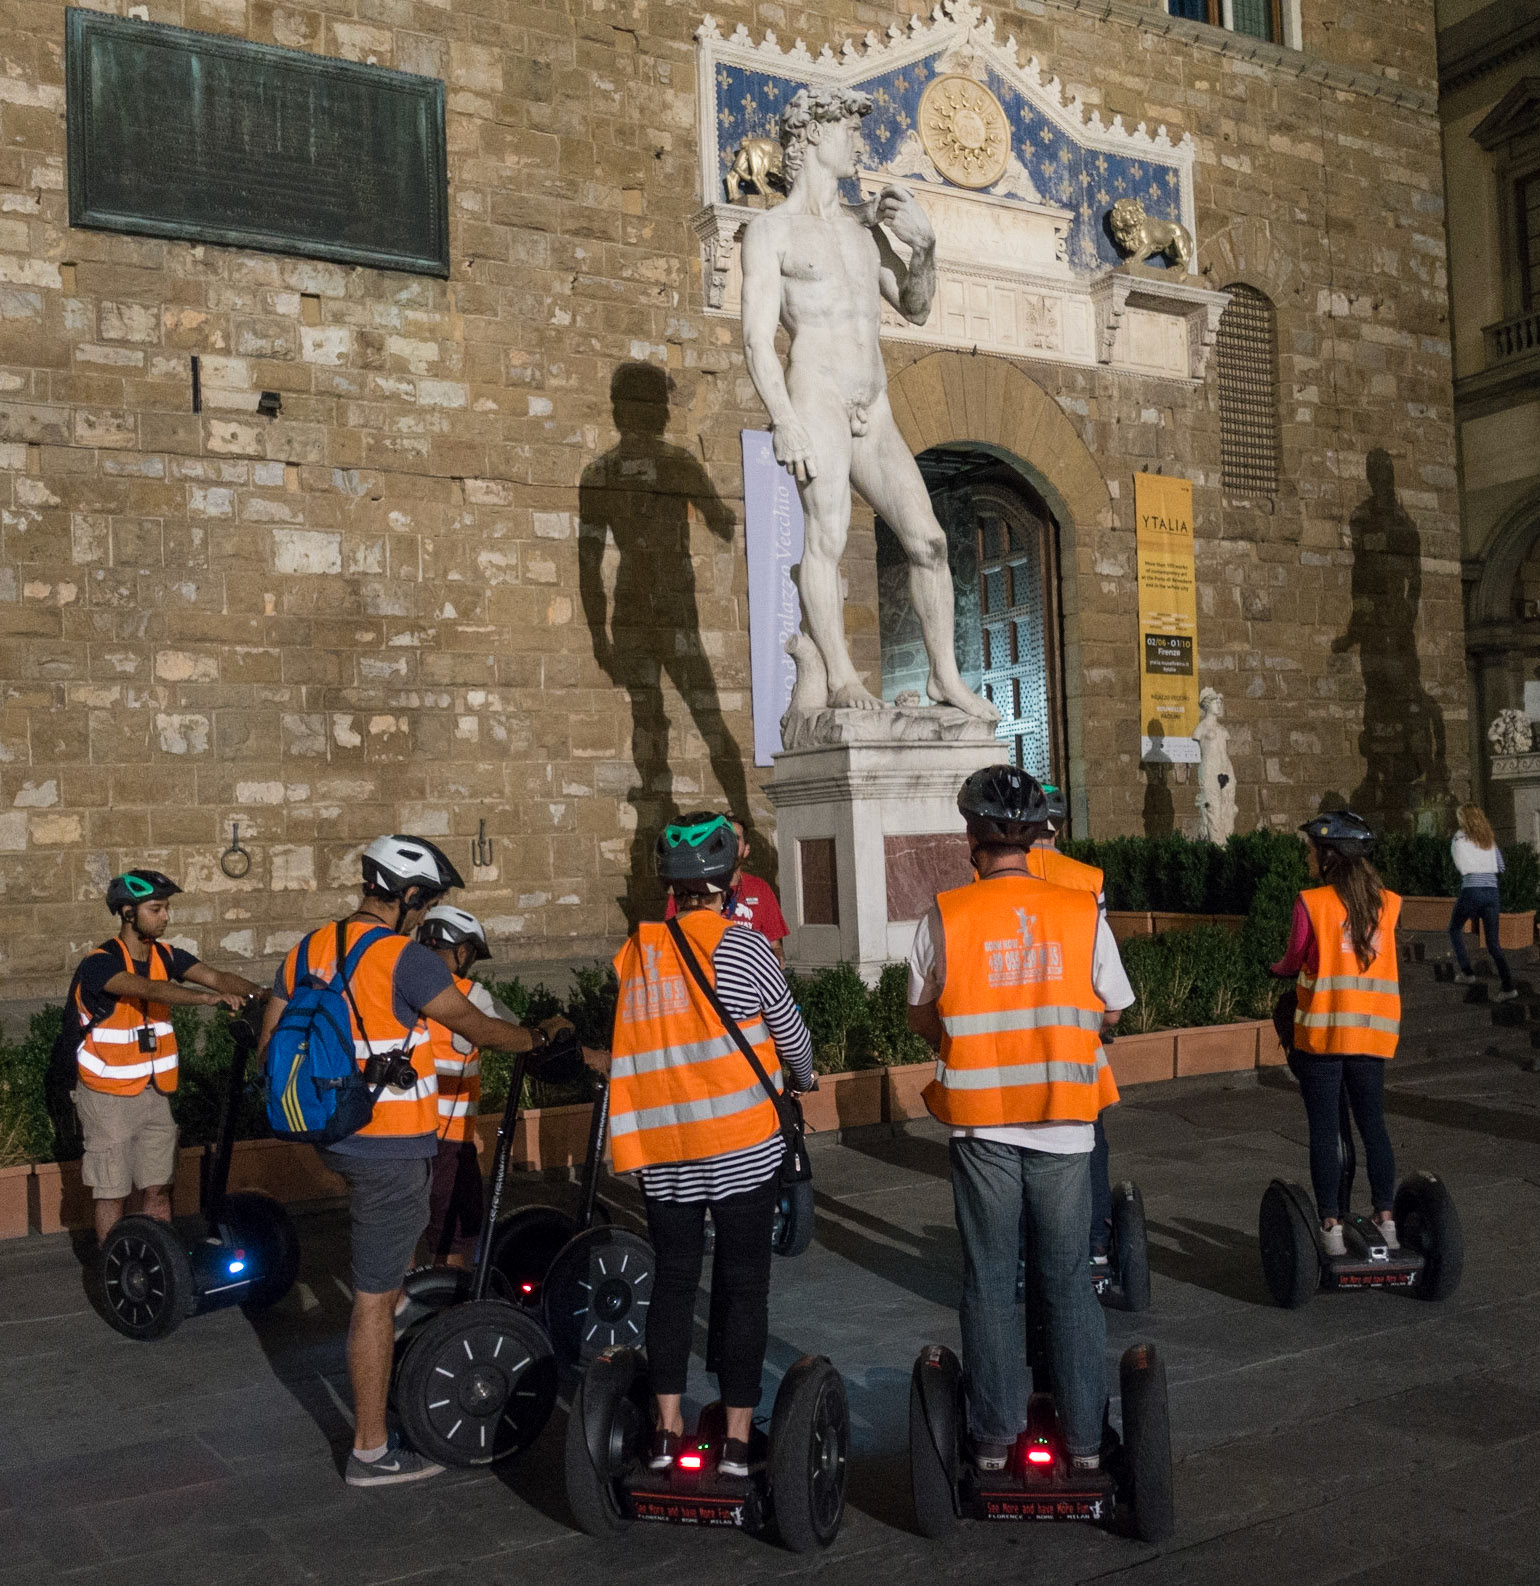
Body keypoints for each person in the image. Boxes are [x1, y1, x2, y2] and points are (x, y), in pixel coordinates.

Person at [258, 835, 571, 1488]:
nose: (422, 914)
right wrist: (536, 1039)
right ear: (408, 896)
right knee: (374, 1301)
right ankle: (371, 1449)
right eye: (424, 902)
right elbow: (477, 1028)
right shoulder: (405, 959)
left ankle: (404, 1349)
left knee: (386, 1277)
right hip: (390, 1149)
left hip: (332, 1135)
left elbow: (270, 1043)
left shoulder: (310, 947)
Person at [907, 767, 1131, 1474]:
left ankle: (996, 1438)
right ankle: (1090, 1444)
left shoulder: (946, 914)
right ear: (1038, 838)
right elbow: (1114, 1007)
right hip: (1064, 1123)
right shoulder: (1079, 910)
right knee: (1067, 1278)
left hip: (982, 1128)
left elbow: (923, 1011)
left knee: (990, 1280)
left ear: (971, 837)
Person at [609, 813, 814, 1479]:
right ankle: (733, 1440)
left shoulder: (636, 953)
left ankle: (666, 1431)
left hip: (664, 1146)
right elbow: (790, 1033)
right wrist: (804, 1079)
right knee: (744, 1283)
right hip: (740, 1143)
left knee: (672, 1281)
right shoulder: (743, 946)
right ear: (727, 881)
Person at [68, 870, 262, 1243]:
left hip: (156, 1093)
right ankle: (117, 1268)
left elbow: (218, 978)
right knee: (113, 1191)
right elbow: (146, 988)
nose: (166, 917)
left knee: (158, 1188)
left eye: (167, 908)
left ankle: (161, 1260)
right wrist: (204, 1000)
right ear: (128, 913)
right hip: (107, 1095)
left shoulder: (167, 955)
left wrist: (265, 996)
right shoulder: (100, 962)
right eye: (156, 909)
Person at [1270, 811, 1402, 1257]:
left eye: (1313, 850)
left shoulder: (1313, 903)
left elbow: (1295, 960)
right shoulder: (1389, 903)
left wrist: (1275, 970)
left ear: (1329, 857)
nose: (1309, 857)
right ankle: (1386, 1219)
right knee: (1373, 1127)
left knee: (1327, 1130)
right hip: (1371, 1034)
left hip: (1324, 1036)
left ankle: (1330, 1225)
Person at [1025, 785, 1119, 1268]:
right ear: (1057, 826)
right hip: (1078, 1022)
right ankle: (1095, 1241)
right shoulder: (1087, 878)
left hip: (1018, 1020)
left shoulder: (990, 874)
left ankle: (1030, 1245)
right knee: (1089, 1135)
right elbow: (1099, 961)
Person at [415, 905, 519, 1269]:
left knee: (401, 1235)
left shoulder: (399, 988)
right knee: (453, 1237)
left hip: (396, 1135)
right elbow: (516, 1034)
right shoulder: (470, 994)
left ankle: (400, 1308)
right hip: (448, 1142)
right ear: (460, 951)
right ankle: (451, 1316)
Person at [665, 817, 790, 964]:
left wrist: (776, 958)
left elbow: (774, 945)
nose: (728, 845)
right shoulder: (687, 887)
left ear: (746, 850)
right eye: (722, 838)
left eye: (735, 838)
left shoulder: (760, 888)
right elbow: (670, 939)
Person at [1447, 802, 1515, 1001]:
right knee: (1494, 943)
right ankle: (1509, 986)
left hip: (1472, 889)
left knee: (1454, 929)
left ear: (1463, 819)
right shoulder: (1488, 839)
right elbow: (1500, 866)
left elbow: (1461, 866)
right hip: (1492, 891)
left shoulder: (1459, 838)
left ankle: (1467, 973)